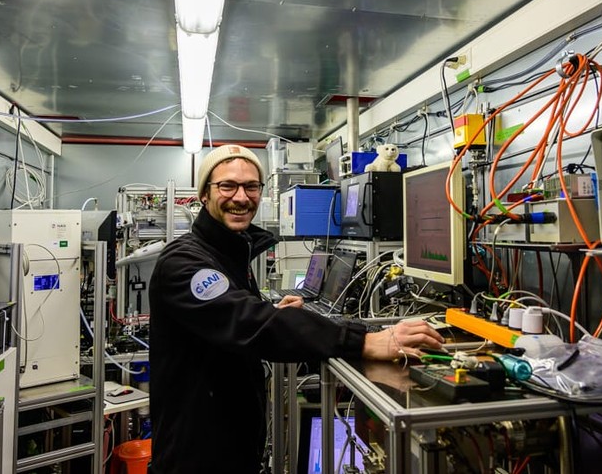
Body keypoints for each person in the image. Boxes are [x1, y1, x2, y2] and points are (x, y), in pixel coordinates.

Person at [149, 144, 444, 473]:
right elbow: (245, 323)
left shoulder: (229, 254)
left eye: (251, 186)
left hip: (230, 445)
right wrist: (363, 341)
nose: (241, 197)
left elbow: (235, 315)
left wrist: (273, 310)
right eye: (227, 186)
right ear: (204, 194)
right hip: (196, 455)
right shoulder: (184, 263)